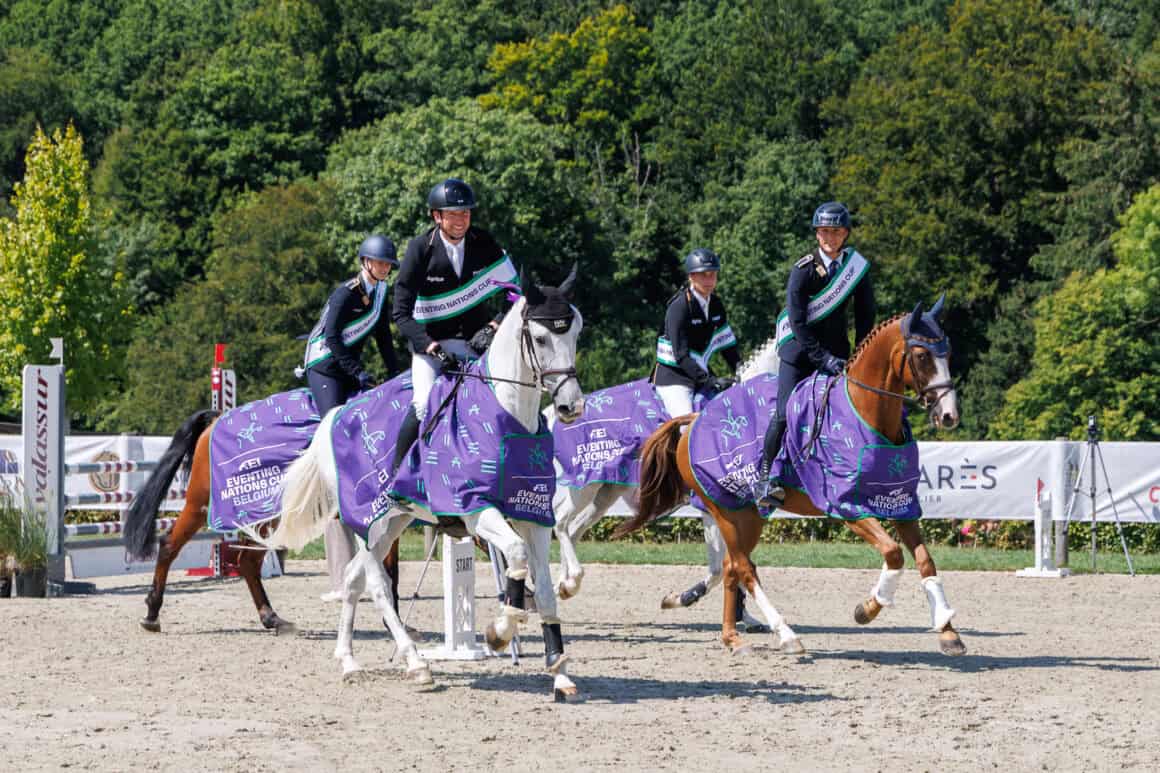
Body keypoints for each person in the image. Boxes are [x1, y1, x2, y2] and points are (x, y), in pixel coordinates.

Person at [754, 201, 876, 508]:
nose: (829, 238)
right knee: (785, 412)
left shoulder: (856, 269)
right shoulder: (803, 270)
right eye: (824, 232)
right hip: (800, 351)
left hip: (838, 353)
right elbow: (798, 323)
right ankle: (765, 478)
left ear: (845, 234)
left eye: (835, 232)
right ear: (817, 234)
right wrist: (822, 358)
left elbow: (866, 317)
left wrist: (861, 354)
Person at [299, 233, 400, 600]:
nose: (386, 268)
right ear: (365, 262)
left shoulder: (381, 293)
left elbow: (383, 339)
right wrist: (356, 371)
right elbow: (333, 339)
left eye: (389, 264)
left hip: (347, 366)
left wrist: (396, 373)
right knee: (335, 431)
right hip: (325, 366)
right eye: (381, 263)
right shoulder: (346, 293)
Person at [389, 178, 515, 474]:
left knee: (503, 401)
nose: (461, 220)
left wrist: (495, 326)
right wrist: (430, 347)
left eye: (466, 213)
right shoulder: (420, 249)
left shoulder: (483, 242)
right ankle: (398, 476)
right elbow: (401, 314)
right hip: (430, 346)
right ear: (437, 216)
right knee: (422, 404)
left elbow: (514, 292)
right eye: (454, 214)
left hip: (475, 344)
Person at [652, 247, 740, 420]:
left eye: (713, 274)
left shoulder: (716, 304)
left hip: (700, 373)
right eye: (703, 275)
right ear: (691, 276)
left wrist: (741, 371)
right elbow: (681, 356)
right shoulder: (679, 307)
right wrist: (709, 381)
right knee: (687, 426)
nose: (709, 280)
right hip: (675, 378)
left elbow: (727, 346)